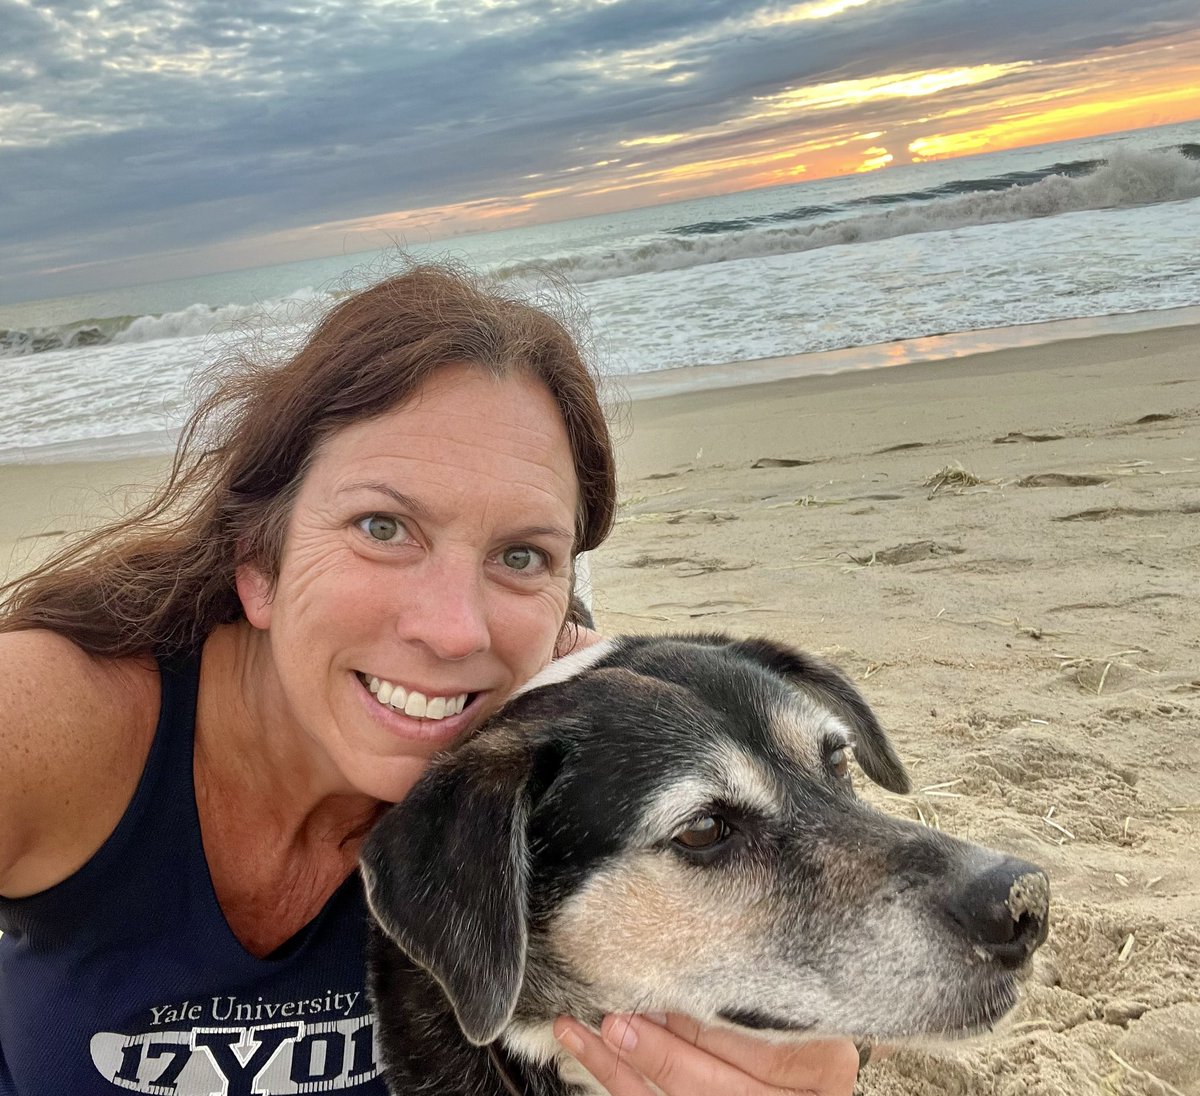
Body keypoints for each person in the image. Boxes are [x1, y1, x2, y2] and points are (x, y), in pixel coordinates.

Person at [0, 265, 862, 1095]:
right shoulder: (52, 720)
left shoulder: (572, 788)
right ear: (257, 563)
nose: (455, 630)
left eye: (521, 556)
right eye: (383, 527)